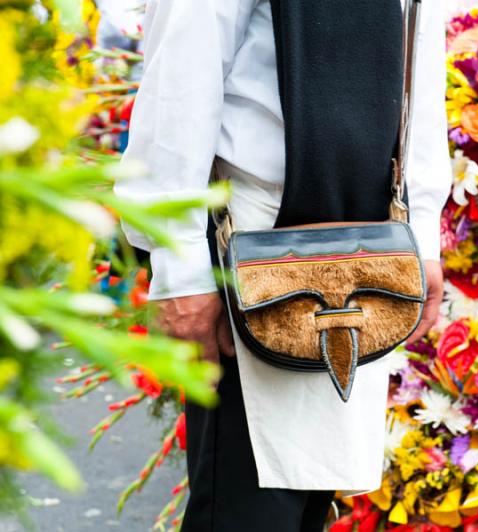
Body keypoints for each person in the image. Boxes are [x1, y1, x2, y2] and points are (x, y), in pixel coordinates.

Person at [114, 1, 452, 530]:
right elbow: (181, 78)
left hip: (365, 243)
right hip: (248, 244)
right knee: (246, 508)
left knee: (308, 500)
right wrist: (179, 264)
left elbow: (418, 58)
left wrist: (423, 227)